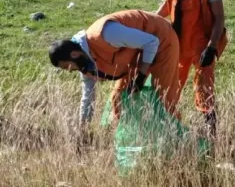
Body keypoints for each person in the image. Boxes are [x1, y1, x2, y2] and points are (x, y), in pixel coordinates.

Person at [49, 10, 181, 126]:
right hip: (137, 53)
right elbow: (87, 97)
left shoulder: (106, 34)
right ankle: (128, 134)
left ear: (74, 54)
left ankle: (177, 135)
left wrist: (140, 76)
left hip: (162, 40)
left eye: (66, 66)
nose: (69, 70)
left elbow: (151, 42)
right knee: (118, 98)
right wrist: (82, 127)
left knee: (164, 99)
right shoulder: (84, 63)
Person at [156, 0, 227, 136]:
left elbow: (219, 18)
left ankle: (211, 131)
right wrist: (152, 20)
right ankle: (167, 126)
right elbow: (169, 4)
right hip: (178, 42)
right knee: (171, 84)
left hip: (202, 43)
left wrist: (211, 47)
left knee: (205, 86)